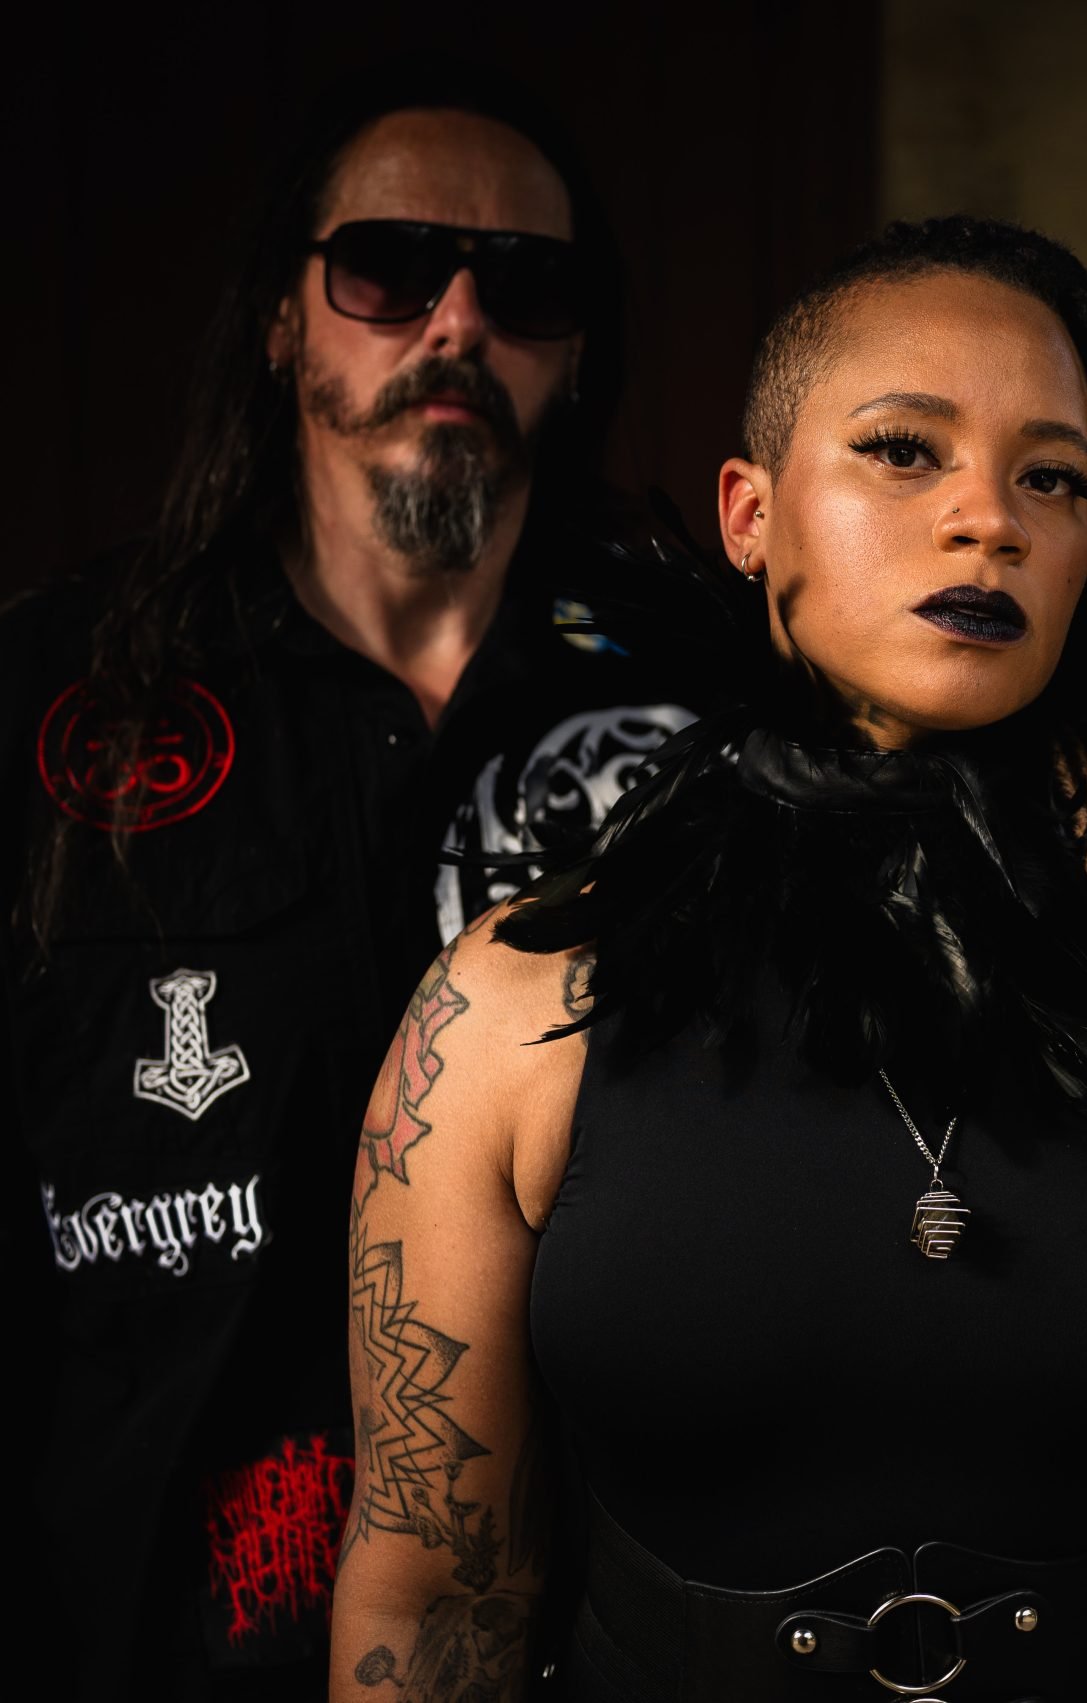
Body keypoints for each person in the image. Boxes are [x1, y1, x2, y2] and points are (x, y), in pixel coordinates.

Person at [328, 217, 1087, 1703]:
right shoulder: (514, 1004)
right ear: (750, 516)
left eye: (1052, 477)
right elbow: (433, 1585)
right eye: (904, 451)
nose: (989, 518)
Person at [1, 69, 691, 1699]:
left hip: (607, 1633)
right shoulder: (51, 695)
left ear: (578, 350)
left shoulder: (705, 710)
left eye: (524, 286)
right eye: (388, 267)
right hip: (139, 1627)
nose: (457, 321)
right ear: (280, 319)